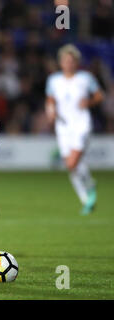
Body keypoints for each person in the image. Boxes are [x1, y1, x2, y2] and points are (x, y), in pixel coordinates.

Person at [45, 44, 104, 215]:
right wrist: (50, 112)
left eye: (72, 61)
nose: (69, 64)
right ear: (61, 62)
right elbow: (50, 100)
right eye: (65, 61)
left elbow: (100, 95)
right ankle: (86, 199)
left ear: (76, 62)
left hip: (81, 124)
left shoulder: (86, 78)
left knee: (72, 162)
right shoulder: (54, 80)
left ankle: (90, 185)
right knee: (71, 166)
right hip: (63, 126)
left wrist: (89, 102)